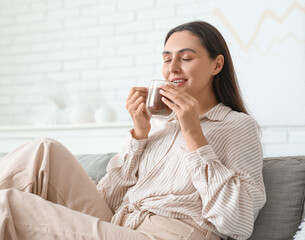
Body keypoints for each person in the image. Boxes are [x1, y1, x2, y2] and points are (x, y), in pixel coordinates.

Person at [0, 21, 266, 240]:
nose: (172, 68)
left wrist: (194, 135)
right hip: (119, 226)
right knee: (44, 150)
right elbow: (107, 200)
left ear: (216, 65)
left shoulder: (237, 126)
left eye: (185, 58)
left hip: (170, 235)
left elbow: (237, 222)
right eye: (166, 59)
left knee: (10, 205)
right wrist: (139, 134)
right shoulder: (158, 124)